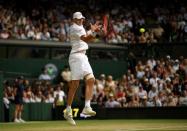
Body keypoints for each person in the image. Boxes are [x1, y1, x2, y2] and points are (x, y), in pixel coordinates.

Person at [63, 12, 101, 125]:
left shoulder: (80, 28)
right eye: (78, 19)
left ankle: (87, 107)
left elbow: (87, 37)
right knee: (75, 85)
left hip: (83, 56)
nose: (80, 20)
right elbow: (86, 39)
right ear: (74, 20)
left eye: (81, 19)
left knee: (91, 80)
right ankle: (68, 110)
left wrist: (92, 31)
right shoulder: (74, 28)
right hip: (76, 57)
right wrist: (94, 32)